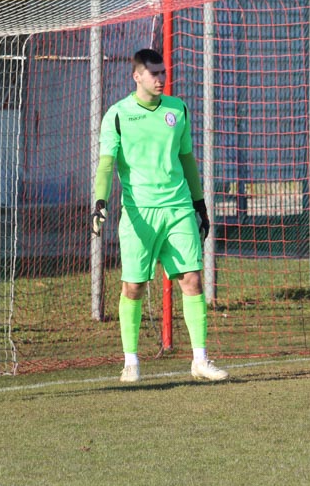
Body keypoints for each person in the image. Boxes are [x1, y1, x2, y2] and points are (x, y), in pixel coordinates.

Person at [91, 48, 228, 383]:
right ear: (136, 76)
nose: (161, 79)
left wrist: (199, 204)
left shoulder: (177, 109)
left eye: (163, 72)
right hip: (139, 213)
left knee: (191, 279)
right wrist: (100, 202)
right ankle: (131, 362)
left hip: (178, 209)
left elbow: (187, 159)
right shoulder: (118, 114)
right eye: (154, 74)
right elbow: (107, 164)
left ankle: (200, 360)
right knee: (134, 286)